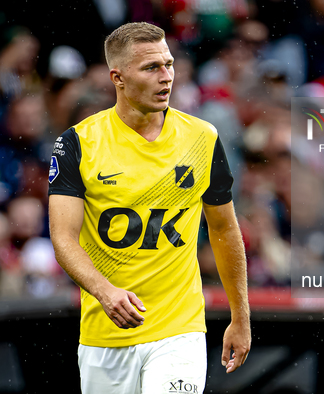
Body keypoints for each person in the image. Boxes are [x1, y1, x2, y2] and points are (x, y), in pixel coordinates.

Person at [48, 22, 250, 394]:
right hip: (105, 336)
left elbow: (223, 229)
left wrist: (241, 317)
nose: (167, 77)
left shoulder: (202, 138)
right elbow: (63, 239)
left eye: (169, 64)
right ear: (118, 77)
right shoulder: (77, 143)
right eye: (152, 68)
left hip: (179, 330)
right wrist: (105, 291)